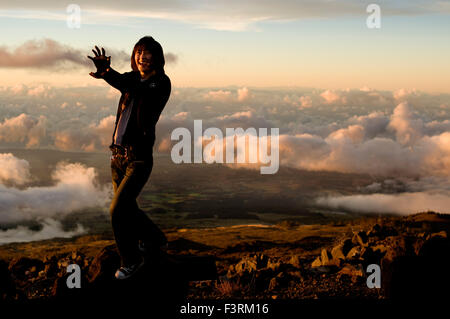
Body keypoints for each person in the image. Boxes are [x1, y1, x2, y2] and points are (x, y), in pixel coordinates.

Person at [87, 36, 171, 280]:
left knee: (117, 211)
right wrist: (107, 73)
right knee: (128, 208)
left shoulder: (160, 83)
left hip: (139, 160)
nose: (142, 57)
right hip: (117, 157)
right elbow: (125, 82)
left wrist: (108, 73)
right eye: (138, 52)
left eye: (147, 53)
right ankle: (155, 239)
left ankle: (130, 260)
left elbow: (134, 88)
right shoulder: (132, 79)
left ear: (156, 57)